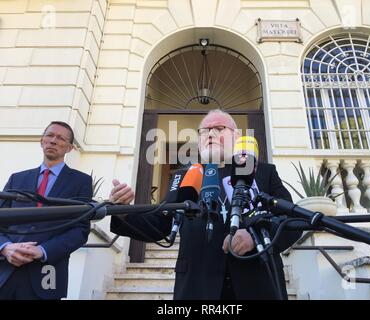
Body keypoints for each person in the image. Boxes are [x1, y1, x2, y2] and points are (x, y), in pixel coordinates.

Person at [110, 109, 302, 300]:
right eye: (204, 131)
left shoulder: (263, 172)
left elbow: (292, 222)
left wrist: (255, 237)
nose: (210, 134)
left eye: (219, 128)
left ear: (236, 137)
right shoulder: (185, 177)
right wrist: (122, 212)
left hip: (259, 284)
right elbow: (160, 224)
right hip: (197, 286)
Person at [0, 121, 93, 300]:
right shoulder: (16, 178)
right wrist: (5, 247)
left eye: (60, 138)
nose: (53, 141)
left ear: (70, 148)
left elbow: (80, 230)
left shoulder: (81, 182)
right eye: (49, 135)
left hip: (46, 275)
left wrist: (43, 251)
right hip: (5, 272)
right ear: (41, 141)